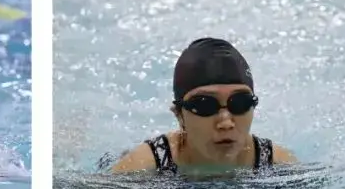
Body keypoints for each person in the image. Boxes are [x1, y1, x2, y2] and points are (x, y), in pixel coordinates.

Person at [108, 38, 297, 173]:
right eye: (205, 105)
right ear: (179, 115)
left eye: (240, 103)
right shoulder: (145, 165)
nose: (226, 122)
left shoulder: (275, 163)